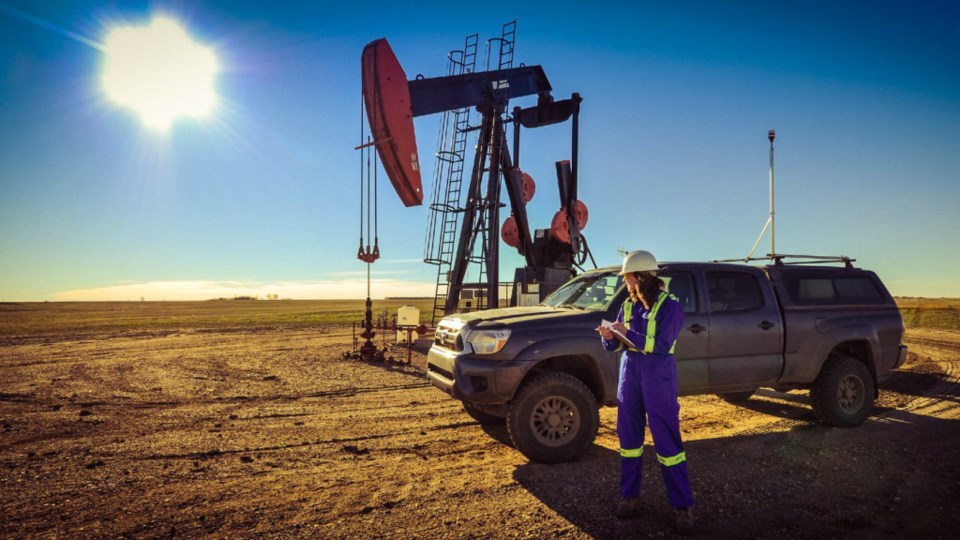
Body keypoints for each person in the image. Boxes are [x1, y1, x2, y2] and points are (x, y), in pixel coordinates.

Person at [596, 250, 695, 534]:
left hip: (658, 375)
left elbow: (662, 344)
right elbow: (617, 345)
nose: (624, 282)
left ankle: (682, 505)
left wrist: (628, 333)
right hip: (630, 374)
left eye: (627, 277)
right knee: (628, 437)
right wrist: (610, 337)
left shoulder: (670, 306)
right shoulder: (626, 305)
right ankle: (629, 497)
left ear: (641, 277)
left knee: (666, 440)